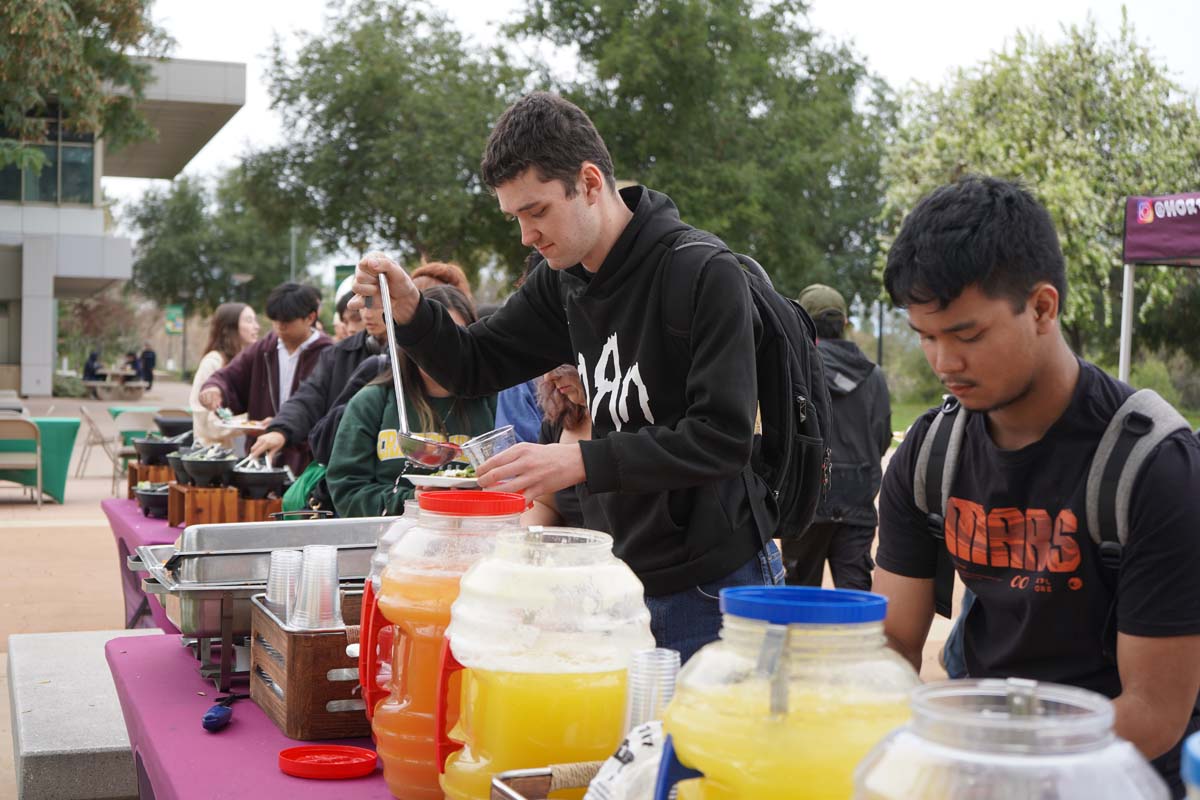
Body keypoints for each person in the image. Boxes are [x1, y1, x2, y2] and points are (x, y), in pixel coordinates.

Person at [351, 91, 782, 662]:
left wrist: (575, 461)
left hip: (713, 582)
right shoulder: (564, 280)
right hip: (616, 579)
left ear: (589, 182)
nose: (526, 236)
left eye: (536, 212)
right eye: (516, 218)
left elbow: (723, 438)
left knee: (703, 751)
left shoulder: (702, 272)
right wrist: (411, 311)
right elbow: (475, 363)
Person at [874, 175, 1200, 796]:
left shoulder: (1156, 466)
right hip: (981, 760)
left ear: (1043, 308)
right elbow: (890, 644)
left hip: (1113, 773)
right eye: (925, 336)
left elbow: (1156, 712)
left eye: (967, 335)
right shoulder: (929, 452)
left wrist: (997, 761)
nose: (944, 364)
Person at [326, 285, 496, 517]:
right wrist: (414, 500)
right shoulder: (371, 402)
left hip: (479, 534)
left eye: (454, 337)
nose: (440, 350)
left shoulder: (496, 400)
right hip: (392, 541)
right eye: (430, 338)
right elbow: (346, 491)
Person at [781, 284, 891, 591]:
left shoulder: (794, 368)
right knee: (854, 599)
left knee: (798, 600)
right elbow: (881, 436)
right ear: (844, 324)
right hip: (858, 495)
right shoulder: (874, 375)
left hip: (805, 500)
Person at [249, 281, 389, 510]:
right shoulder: (339, 353)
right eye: (363, 306)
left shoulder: (414, 355)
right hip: (346, 473)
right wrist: (280, 430)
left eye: (376, 306)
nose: (367, 314)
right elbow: (308, 396)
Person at [199, 282, 333, 472]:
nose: (279, 327)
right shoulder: (263, 349)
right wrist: (214, 388)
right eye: (275, 320)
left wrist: (285, 426)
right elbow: (229, 376)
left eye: (286, 321)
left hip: (308, 461)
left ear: (310, 318)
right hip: (261, 457)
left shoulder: (329, 354)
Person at [522, 365, 590, 527]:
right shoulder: (558, 420)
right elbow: (545, 503)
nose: (548, 377)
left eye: (562, 364)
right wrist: (528, 538)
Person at [189, 303, 260, 446]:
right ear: (230, 327)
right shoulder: (213, 362)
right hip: (214, 458)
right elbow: (207, 422)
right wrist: (255, 419)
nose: (256, 326)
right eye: (248, 320)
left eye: (255, 320)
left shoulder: (250, 363)